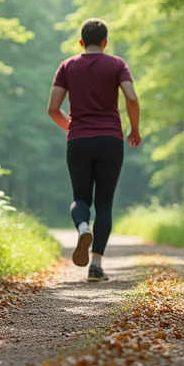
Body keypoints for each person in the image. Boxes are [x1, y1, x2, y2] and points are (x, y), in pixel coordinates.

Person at [47, 18, 141, 282]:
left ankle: (83, 227)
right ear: (105, 42)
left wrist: (73, 129)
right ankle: (96, 265)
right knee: (105, 203)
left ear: (81, 42)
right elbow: (131, 98)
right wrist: (134, 129)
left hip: (78, 140)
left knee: (81, 198)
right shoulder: (117, 64)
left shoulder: (67, 66)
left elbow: (53, 108)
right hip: (111, 139)